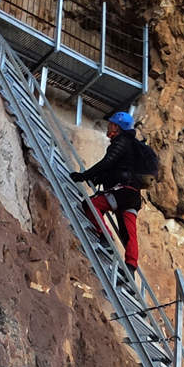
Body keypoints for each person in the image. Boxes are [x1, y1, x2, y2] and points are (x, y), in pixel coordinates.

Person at [70, 112, 142, 274]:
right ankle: (131, 266)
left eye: (111, 124)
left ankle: (105, 237)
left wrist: (84, 176)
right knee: (129, 233)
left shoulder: (121, 143)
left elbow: (107, 163)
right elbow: (115, 169)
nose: (108, 127)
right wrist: (96, 179)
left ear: (117, 126)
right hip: (133, 195)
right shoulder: (133, 146)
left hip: (121, 192)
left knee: (90, 204)